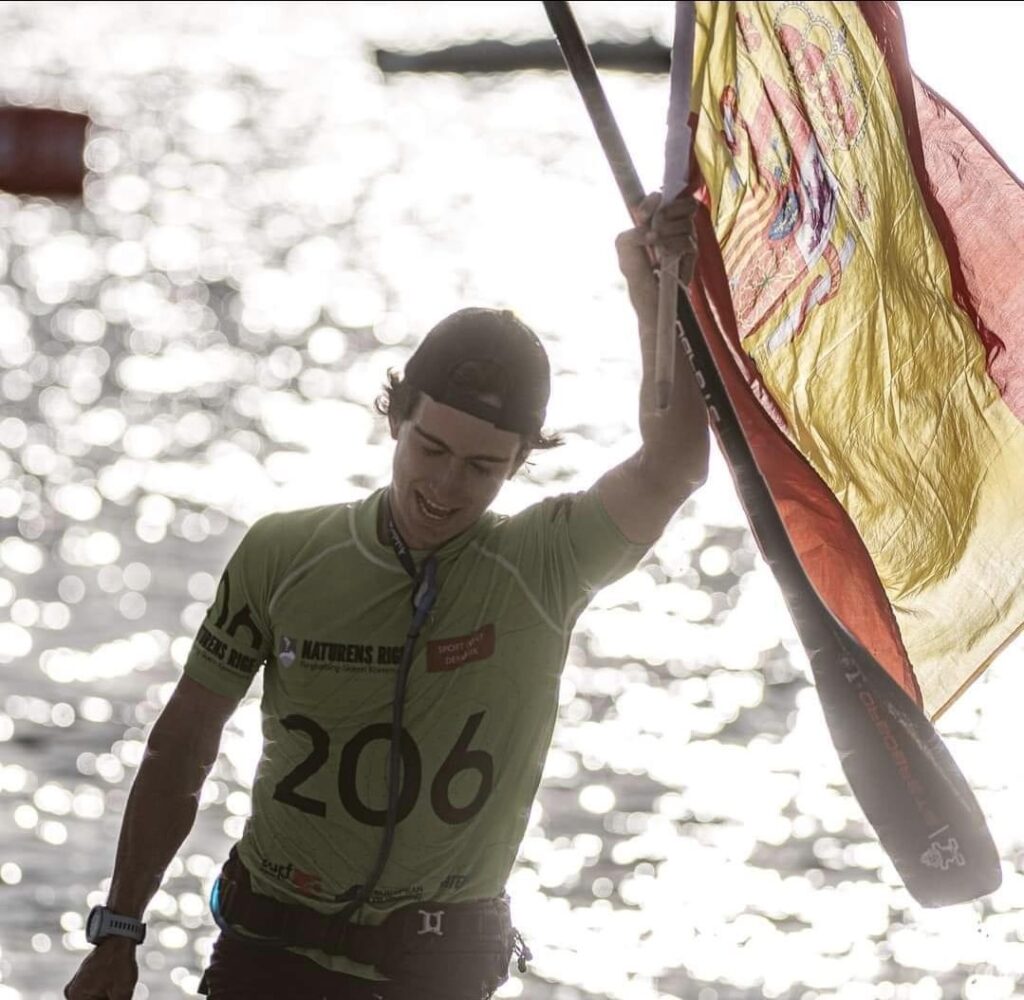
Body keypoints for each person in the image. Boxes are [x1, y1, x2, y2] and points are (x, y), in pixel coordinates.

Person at [64, 191, 706, 1000]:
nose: (445, 487)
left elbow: (674, 464)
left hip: (436, 970)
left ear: (520, 464)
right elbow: (183, 744)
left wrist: (655, 288)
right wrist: (120, 928)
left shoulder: (545, 562)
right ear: (395, 417)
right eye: (429, 448)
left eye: (482, 467)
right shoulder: (284, 554)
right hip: (269, 954)